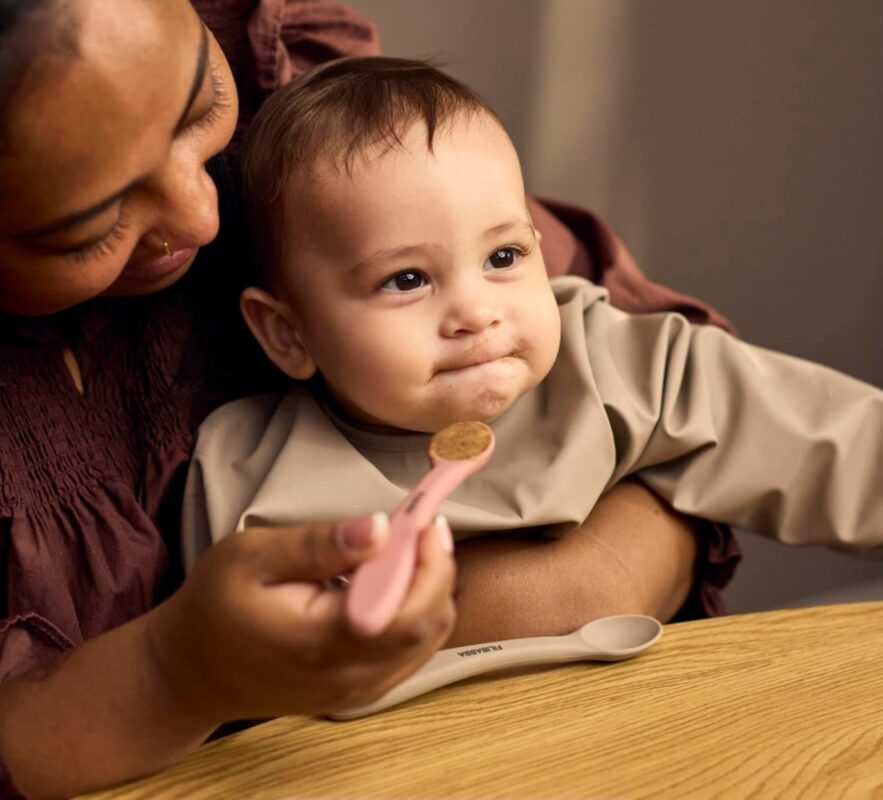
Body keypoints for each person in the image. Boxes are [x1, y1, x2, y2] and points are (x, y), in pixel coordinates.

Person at [0, 2, 739, 797]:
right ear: (280, 331)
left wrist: (583, 585)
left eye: (200, 105)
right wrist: (173, 676)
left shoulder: (282, 69)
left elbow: (681, 369)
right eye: (87, 227)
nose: (202, 216)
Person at [183, 57, 883, 616]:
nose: (476, 312)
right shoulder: (249, 474)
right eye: (408, 280)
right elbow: (231, 657)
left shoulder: (594, 360)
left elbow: (753, 405)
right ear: (287, 334)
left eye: (504, 257)